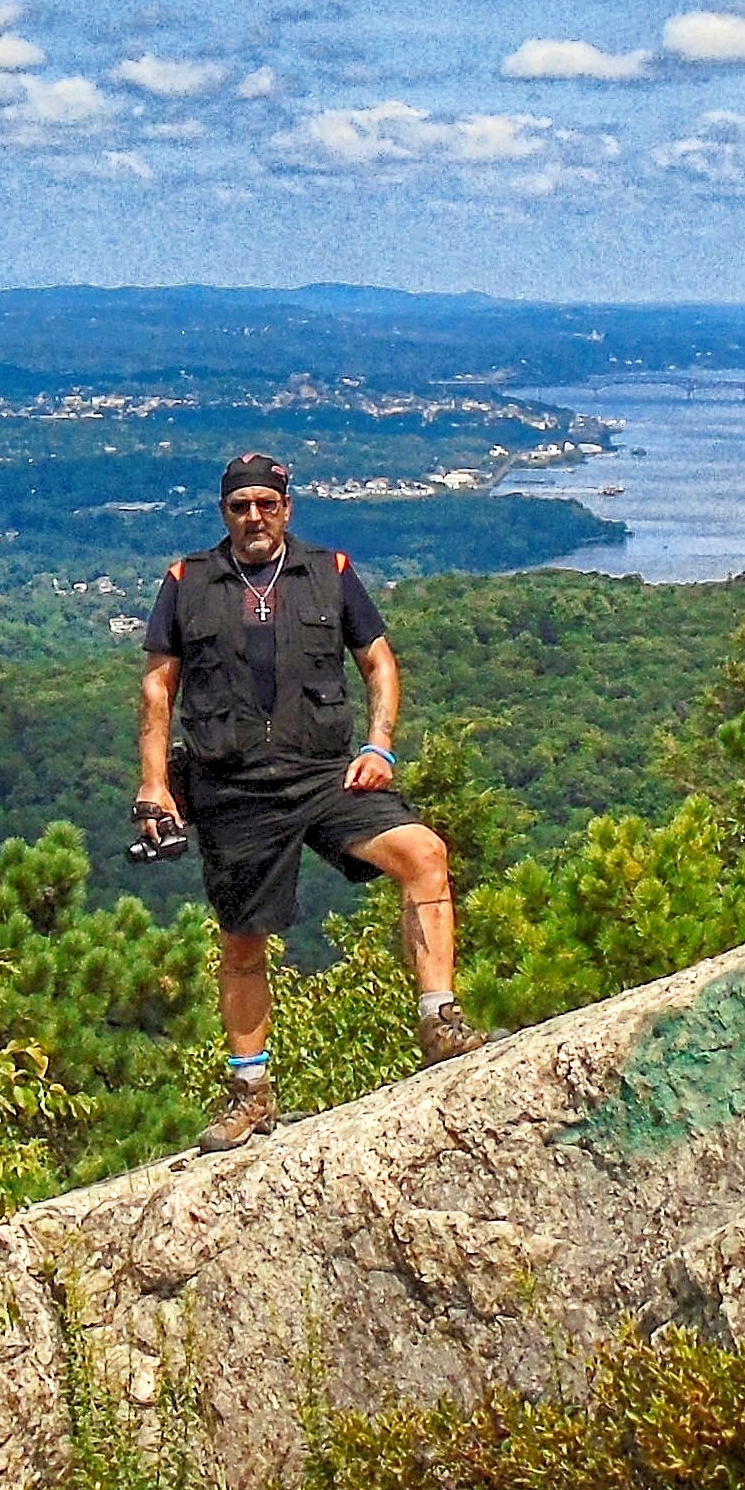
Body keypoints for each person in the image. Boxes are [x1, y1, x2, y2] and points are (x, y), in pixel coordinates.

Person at [134, 451, 486, 1149]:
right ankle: (250, 1092)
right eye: (241, 506)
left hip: (325, 771)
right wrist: (154, 784)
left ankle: (440, 1021)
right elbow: (158, 688)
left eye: (267, 503)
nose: (255, 517)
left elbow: (379, 663)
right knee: (242, 938)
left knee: (425, 854)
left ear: (288, 508)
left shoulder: (331, 573)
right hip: (230, 781)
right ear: (224, 513)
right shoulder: (187, 582)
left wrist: (379, 745)